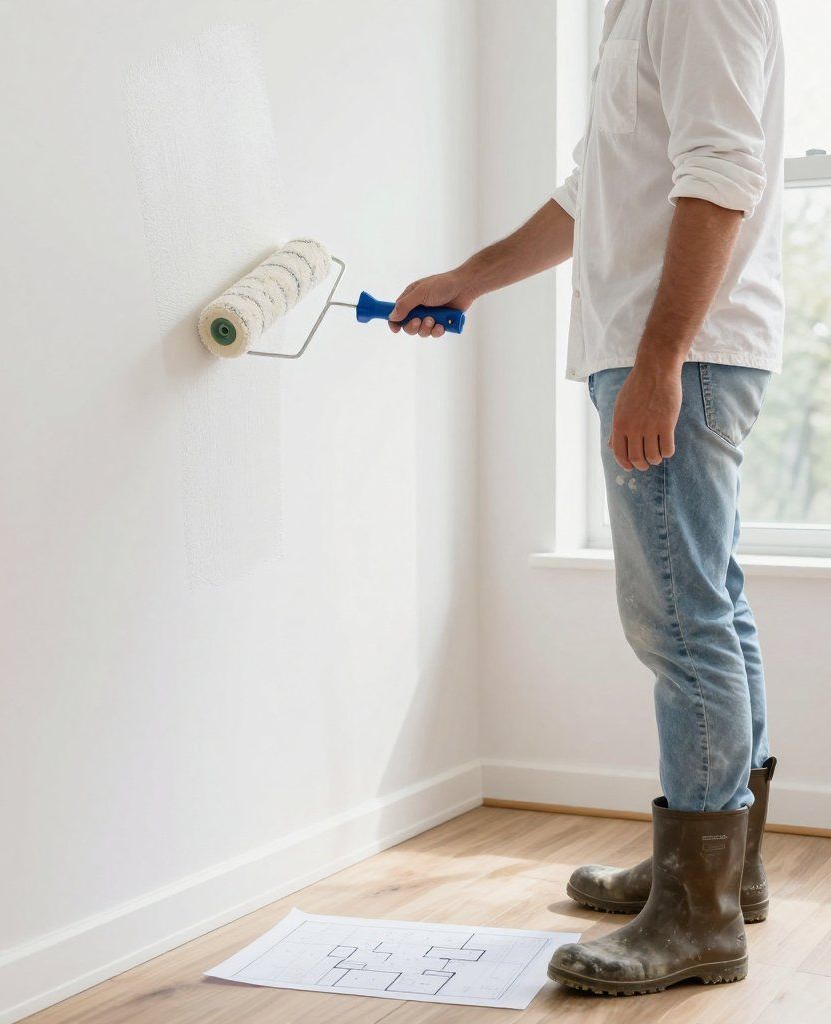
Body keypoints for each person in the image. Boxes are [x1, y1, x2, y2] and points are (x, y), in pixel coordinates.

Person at [389, 0, 785, 996]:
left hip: (677, 353)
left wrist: (660, 361)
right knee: (711, 607)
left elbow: (721, 175)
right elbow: (592, 193)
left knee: (680, 622)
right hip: (670, 351)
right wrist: (471, 278)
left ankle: (697, 915)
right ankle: (719, 873)